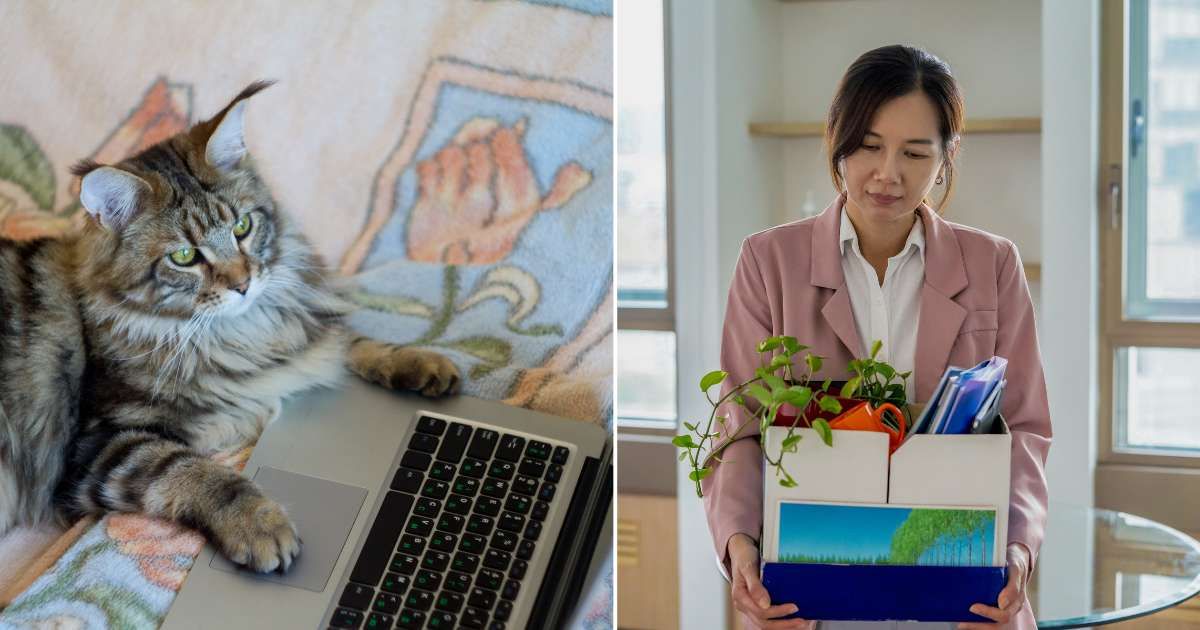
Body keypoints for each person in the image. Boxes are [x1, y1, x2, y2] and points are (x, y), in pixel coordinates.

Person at [701, 45, 1052, 630]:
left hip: (963, 594)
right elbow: (740, 422)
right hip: (806, 596)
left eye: (915, 152)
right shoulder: (769, 262)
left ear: (946, 158)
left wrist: (1016, 550)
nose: (888, 173)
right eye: (868, 146)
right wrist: (739, 544)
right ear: (837, 141)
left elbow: (1027, 428)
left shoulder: (994, 263)